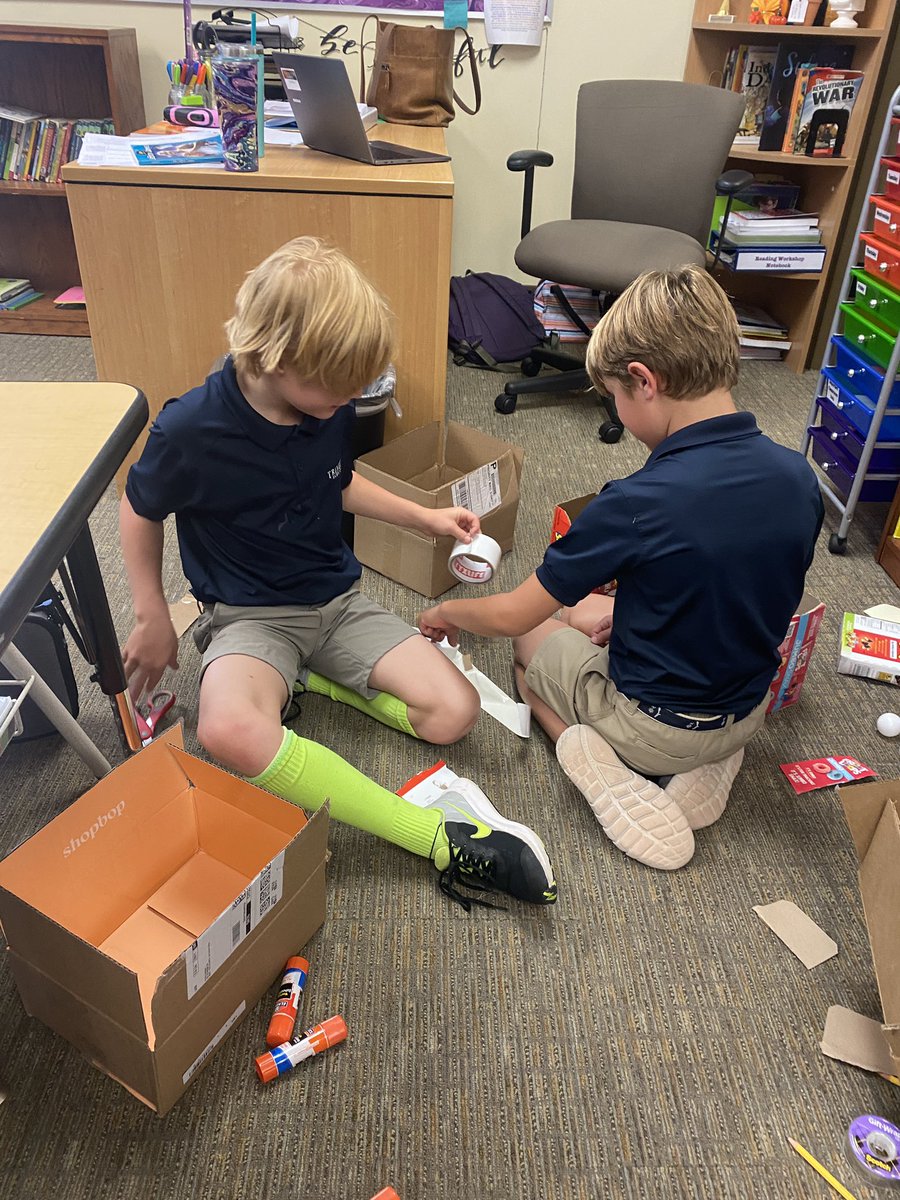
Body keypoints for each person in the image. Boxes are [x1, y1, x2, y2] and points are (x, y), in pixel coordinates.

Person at [119, 237, 557, 910]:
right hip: (248, 614)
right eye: (339, 388)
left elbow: (337, 480)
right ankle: (435, 839)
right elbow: (138, 508)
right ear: (276, 358)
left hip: (336, 600)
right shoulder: (192, 429)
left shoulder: (325, 403)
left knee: (455, 714)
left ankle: (315, 678)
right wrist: (152, 613)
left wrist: (424, 517)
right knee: (227, 727)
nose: (352, 399)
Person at [418, 264, 824, 872]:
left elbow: (508, 615)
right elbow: (741, 584)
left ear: (642, 381)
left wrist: (446, 611)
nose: (617, 411)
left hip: (655, 728)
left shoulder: (634, 502)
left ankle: (598, 764)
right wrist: (633, 619)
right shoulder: (799, 477)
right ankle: (708, 761)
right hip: (746, 711)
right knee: (593, 612)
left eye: (613, 398)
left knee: (532, 644)